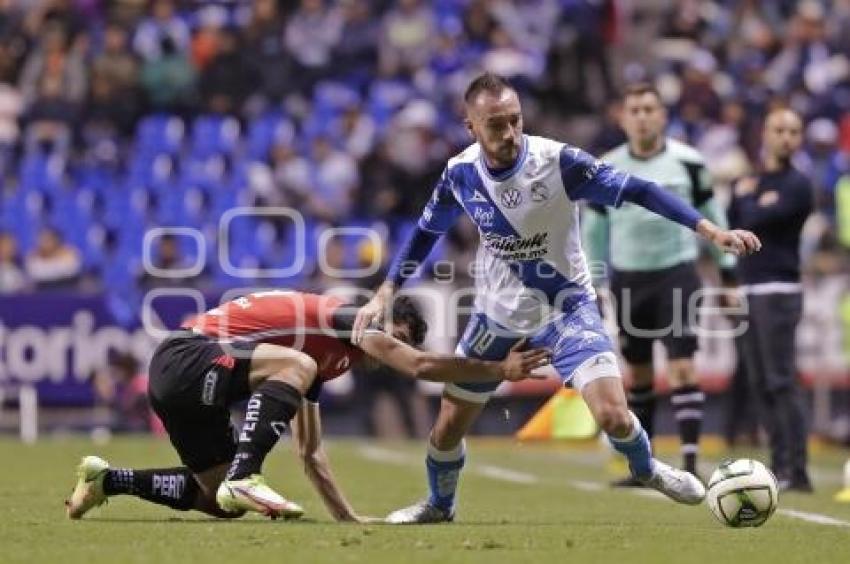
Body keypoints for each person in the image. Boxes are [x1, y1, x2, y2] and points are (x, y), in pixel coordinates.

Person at [352, 73, 761, 523]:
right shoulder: (459, 174)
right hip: (497, 317)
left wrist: (709, 230)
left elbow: (639, 189)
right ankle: (439, 505)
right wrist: (385, 292)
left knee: (615, 418)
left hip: (567, 308)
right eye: (496, 125)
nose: (509, 134)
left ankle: (648, 470)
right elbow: (424, 235)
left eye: (515, 121)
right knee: (446, 431)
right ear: (471, 126)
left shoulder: (559, 162)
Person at [66, 290, 549, 521]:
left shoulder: (321, 362)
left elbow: (310, 451)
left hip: (184, 383)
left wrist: (349, 518)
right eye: (392, 337)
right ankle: (244, 474)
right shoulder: (345, 321)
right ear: (379, 320)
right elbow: (420, 367)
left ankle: (105, 479)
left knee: (215, 501)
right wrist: (498, 371)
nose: (387, 354)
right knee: (296, 365)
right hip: (186, 355)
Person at [582, 83, 737, 484]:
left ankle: (688, 461)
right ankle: (644, 467)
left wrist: (728, 275)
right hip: (628, 278)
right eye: (634, 109)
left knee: (683, 365)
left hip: (678, 273)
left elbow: (712, 214)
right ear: (622, 117)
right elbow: (593, 232)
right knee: (639, 374)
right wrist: (594, 284)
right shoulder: (606, 167)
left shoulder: (689, 162)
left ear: (663, 116)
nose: (642, 116)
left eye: (650, 109)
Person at [728, 107, 814, 492]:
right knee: (760, 382)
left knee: (781, 381)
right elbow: (735, 223)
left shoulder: (798, 184)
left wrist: (750, 201)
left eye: (794, 131)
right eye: (780, 130)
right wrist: (750, 201)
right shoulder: (753, 181)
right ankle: (778, 464)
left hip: (778, 291)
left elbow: (756, 219)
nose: (786, 137)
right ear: (766, 133)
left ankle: (796, 469)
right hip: (748, 290)